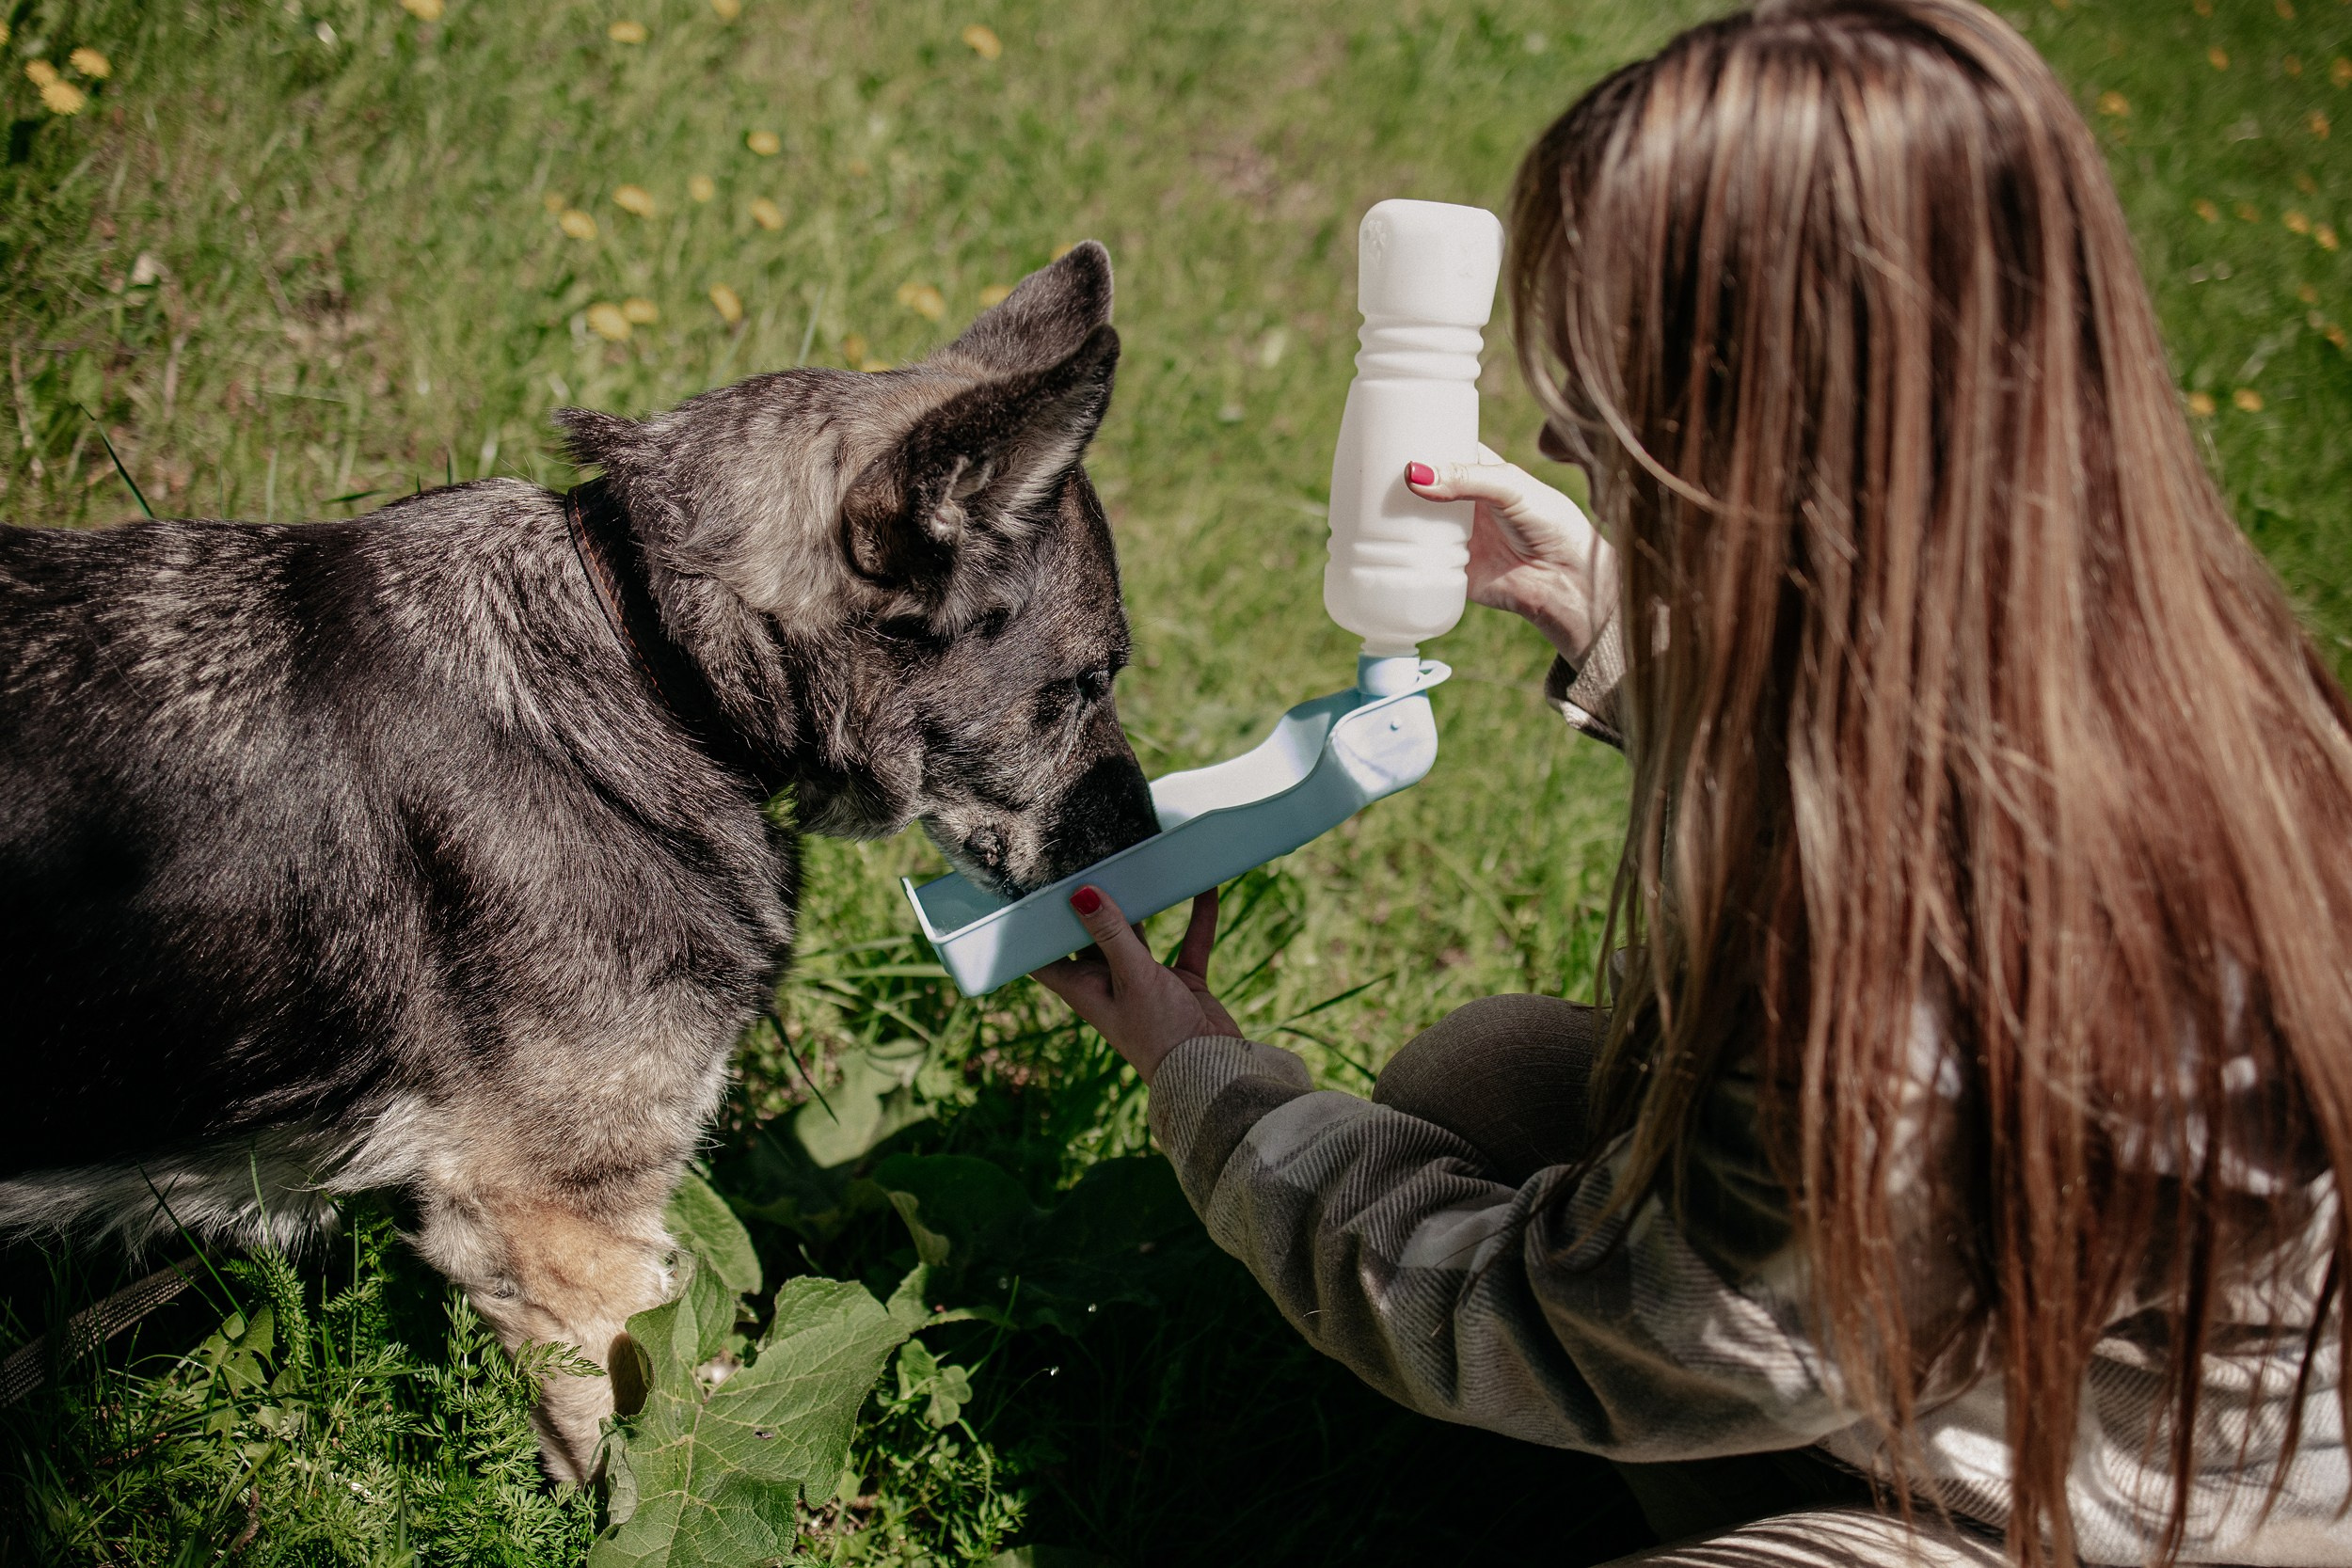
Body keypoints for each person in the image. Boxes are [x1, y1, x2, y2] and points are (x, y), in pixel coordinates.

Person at [1033, 2, 2352, 1564]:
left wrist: (1212, 1089)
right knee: (1491, 1080)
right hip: (1991, 1363)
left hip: (2128, 1522)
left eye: (1620, 388)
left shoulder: (1904, 991)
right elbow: (1875, 747)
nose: (1565, 429)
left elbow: (1557, 1320)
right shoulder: (2144, 652)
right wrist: (1627, 628)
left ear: (1774, 422)